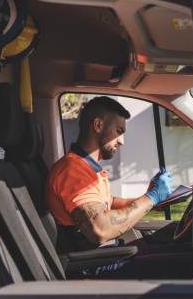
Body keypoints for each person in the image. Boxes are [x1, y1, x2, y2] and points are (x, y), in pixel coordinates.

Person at [46, 96, 173, 247]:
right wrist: (150, 198)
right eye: (118, 131)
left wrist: (149, 200)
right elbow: (100, 230)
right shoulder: (73, 170)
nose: (122, 141)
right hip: (91, 263)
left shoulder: (88, 168)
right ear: (98, 125)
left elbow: (108, 203)